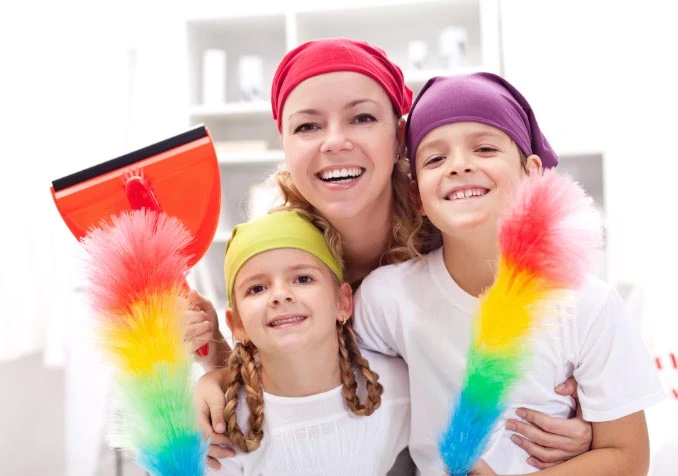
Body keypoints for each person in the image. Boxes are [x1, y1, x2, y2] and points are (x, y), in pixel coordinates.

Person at [190, 38, 594, 473]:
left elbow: (561, 349)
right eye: (307, 126)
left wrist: (582, 422)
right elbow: (282, 365)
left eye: (362, 117)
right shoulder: (281, 253)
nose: (334, 142)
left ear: (399, 134)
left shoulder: (456, 219)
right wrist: (217, 367)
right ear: (284, 142)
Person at [351, 72, 666, 475]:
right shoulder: (387, 298)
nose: (459, 166)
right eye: (435, 158)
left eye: (484, 148)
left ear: (532, 173)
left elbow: (629, 458)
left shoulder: (587, 303)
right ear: (418, 196)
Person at [202, 209, 409, 474]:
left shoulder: (395, 388)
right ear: (237, 325)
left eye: (303, 279)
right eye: (257, 288)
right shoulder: (225, 426)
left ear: (342, 302)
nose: (280, 295)